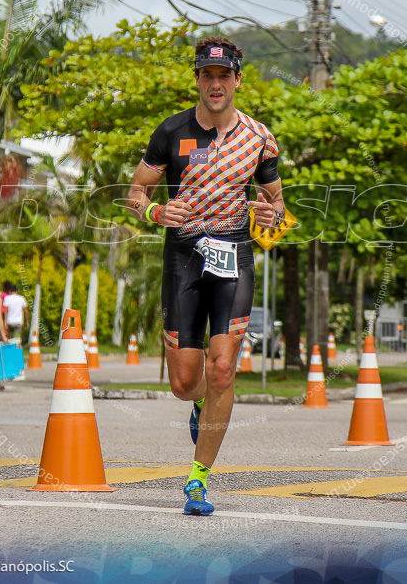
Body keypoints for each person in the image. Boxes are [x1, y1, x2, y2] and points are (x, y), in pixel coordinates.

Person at [124, 35, 283, 516]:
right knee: (184, 382)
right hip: (184, 257)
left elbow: (277, 204)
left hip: (235, 255)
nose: (216, 84)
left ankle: (198, 479)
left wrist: (272, 215)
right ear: (197, 79)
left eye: (224, 76)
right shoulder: (171, 132)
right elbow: (135, 191)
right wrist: (155, 213)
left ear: (238, 79)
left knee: (222, 369)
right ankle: (198, 405)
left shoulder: (259, 138)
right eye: (207, 75)